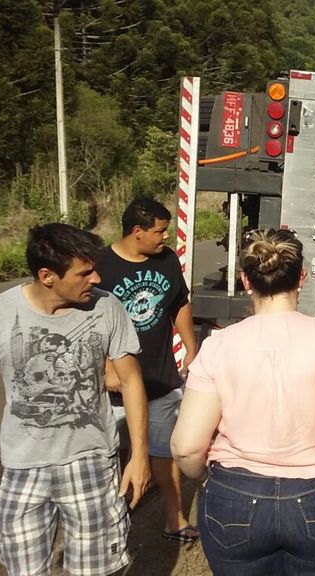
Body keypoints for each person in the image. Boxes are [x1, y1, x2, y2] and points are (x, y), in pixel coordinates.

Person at [171, 229, 315, 575]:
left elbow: (185, 447)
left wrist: (205, 477)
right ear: (301, 278)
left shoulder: (218, 346)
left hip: (235, 493)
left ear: (245, 280)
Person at [0, 223, 151, 575]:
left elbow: (131, 381)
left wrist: (139, 455)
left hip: (92, 461)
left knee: (96, 569)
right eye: (84, 273)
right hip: (23, 466)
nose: (96, 278)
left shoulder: (107, 307)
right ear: (47, 276)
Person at [95, 196, 200, 543]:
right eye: (160, 231)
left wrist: (190, 346)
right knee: (111, 456)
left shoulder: (166, 260)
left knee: (163, 452)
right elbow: (87, 323)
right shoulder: (100, 266)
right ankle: (110, 525)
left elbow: (178, 302)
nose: (166, 237)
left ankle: (174, 518)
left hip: (158, 378)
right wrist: (105, 368)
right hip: (113, 387)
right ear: (137, 231)